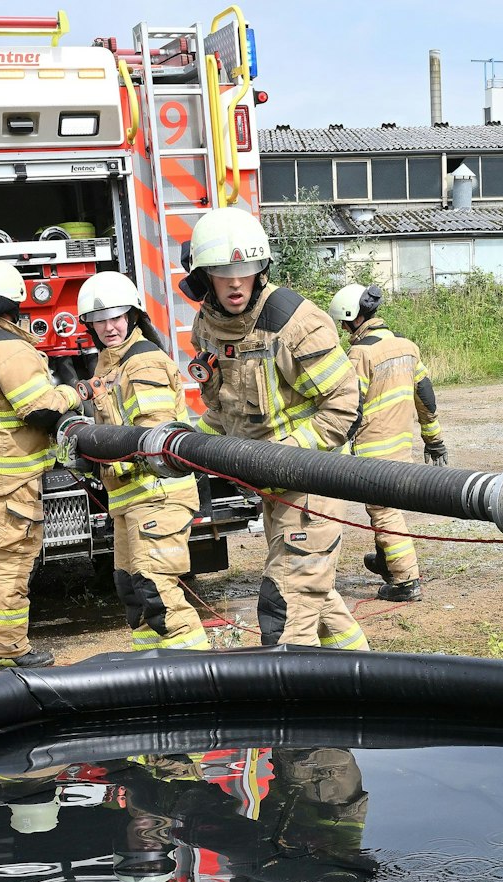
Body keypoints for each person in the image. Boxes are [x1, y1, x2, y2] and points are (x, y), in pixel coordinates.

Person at [185, 206, 367, 651]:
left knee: (285, 611)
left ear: (261, 269)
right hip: (269, 487)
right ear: (204, 276)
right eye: (223, 273)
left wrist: (281, 456)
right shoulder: (208, 327)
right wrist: (188, 443)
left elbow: (344, 406)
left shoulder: (294, 323)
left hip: (309, 484)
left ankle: (292, 694)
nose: (235, 283)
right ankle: (367, 676)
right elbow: (225, 409)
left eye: (245, 271)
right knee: (316, 598)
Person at [0, 260, 101, 672]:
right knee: (10, 564)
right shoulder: (10, 350)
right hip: (9, 476)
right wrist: (76, 392)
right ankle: (7, 649)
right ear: (12, 304)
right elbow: (40, 411)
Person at [77, 272, 210, 651]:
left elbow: (154, 439)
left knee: (158, 593)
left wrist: (105, 455)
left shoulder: (143, 363)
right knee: (134, 593)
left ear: (133, 316)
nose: (109, 327)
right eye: (99, 319)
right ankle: (151, 668)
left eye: (116, 317)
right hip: (129, 498)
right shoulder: (109, 365)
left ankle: (196, 672)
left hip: (158, 495)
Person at [329, 283, 447, 602]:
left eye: (344, 323)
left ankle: (406, 581)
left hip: (373, 450)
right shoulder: (406, 346)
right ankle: (386, 561)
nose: (343, 329)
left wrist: (336, 450)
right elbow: (425, 397)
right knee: (386, 506)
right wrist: (433, 439)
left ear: (354, 318)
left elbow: (349, 407)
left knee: (384, 511)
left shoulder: (360, 353)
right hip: (401, 447)